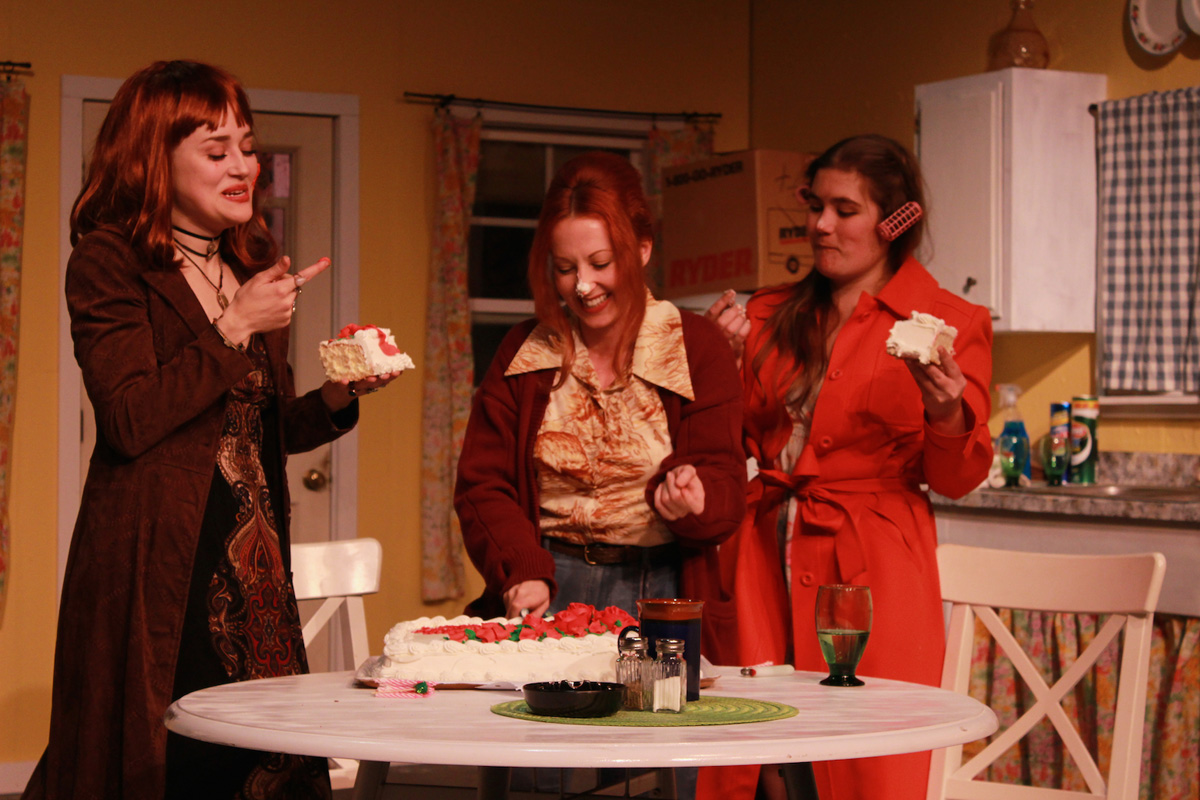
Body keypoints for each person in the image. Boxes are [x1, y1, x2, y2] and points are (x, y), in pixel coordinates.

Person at [23, 60, 400, 800]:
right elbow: (129, 420)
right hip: (163, 562)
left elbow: (258, 430)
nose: (242, 167)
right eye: (216, 149)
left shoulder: (246, 262)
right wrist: (233, 327)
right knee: (182, 760)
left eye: (248, 148)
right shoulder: (110, 260)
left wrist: (337, 394)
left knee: (269, 755)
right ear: (153, 159)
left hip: (255, 563)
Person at [700, 134, 994, 800]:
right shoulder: (766, 315)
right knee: (760, 755)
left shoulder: (951, 323)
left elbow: (956, 479)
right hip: (761, 555)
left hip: (873, 568)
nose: (821, 225)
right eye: (815, 205)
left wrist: (947, 412)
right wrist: (716, 365)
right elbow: (724, 445)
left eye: (844, 210)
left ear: (896, 221)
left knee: (867, 760)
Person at [455, 150, 746, 622]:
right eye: (565, 268)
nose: (583, 286)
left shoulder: (697, 346)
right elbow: (482, 486)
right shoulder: (524, 352)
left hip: (660, 586)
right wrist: (522, 569)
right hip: (546, 583)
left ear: (642, 248)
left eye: (600, 263)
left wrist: (696, 499)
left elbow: (725, 487)